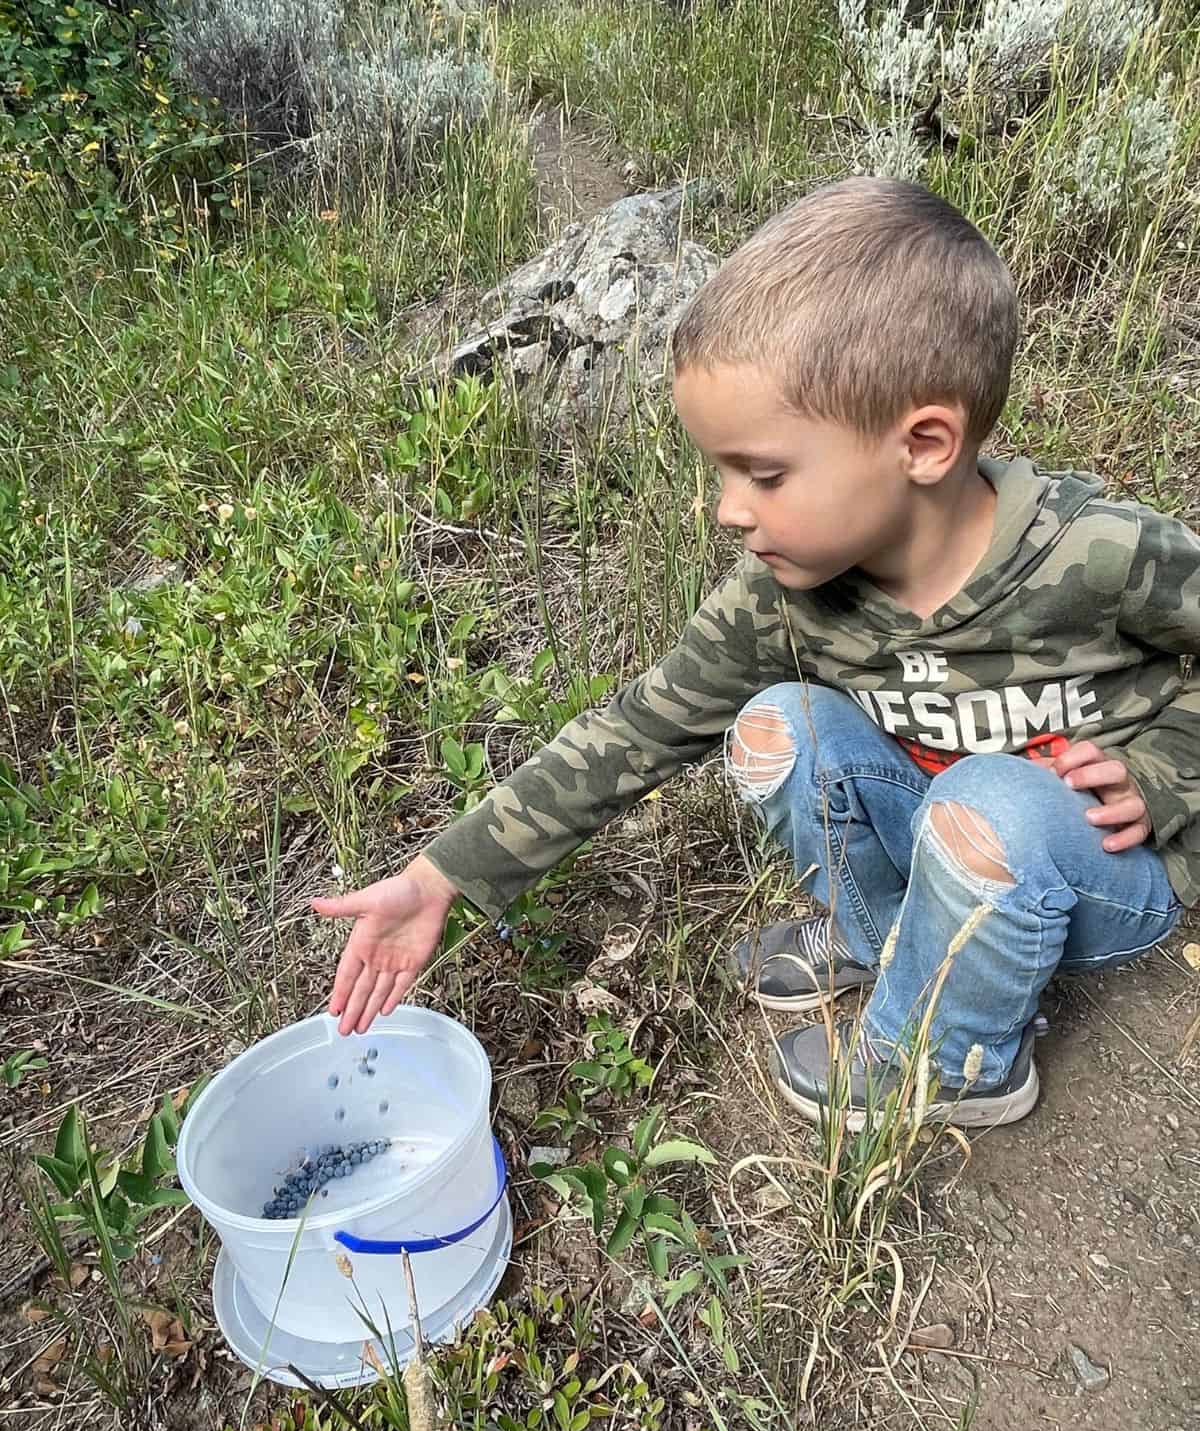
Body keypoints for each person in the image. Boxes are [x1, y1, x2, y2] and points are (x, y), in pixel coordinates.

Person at [312, 177, 1200, 1131]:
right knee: (776, 727)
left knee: (988, 803)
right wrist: (445, 874)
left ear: (926, 443)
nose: (729, 510)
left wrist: (1165, 772)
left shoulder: (1096, 553)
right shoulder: (784, 590)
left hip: (1098, 876)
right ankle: (884, 935)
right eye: (721, 472)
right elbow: (641, 728)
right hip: (946, 836)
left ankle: (951, 1060)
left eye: (764, 474)